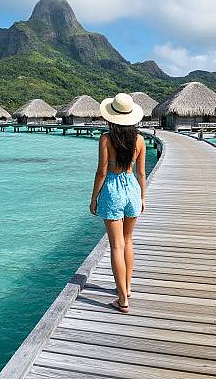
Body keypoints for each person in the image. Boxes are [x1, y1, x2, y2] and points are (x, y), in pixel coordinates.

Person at [89, 93, 146, 314]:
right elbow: (141, 173)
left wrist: (94, 198)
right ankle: (127, 288)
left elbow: (102, 172)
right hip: (132, 188)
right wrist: (143, 197)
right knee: (128, 241)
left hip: (113, 190)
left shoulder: (106, 139)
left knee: (116, 246)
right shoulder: (139, 139)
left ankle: (122, 300)